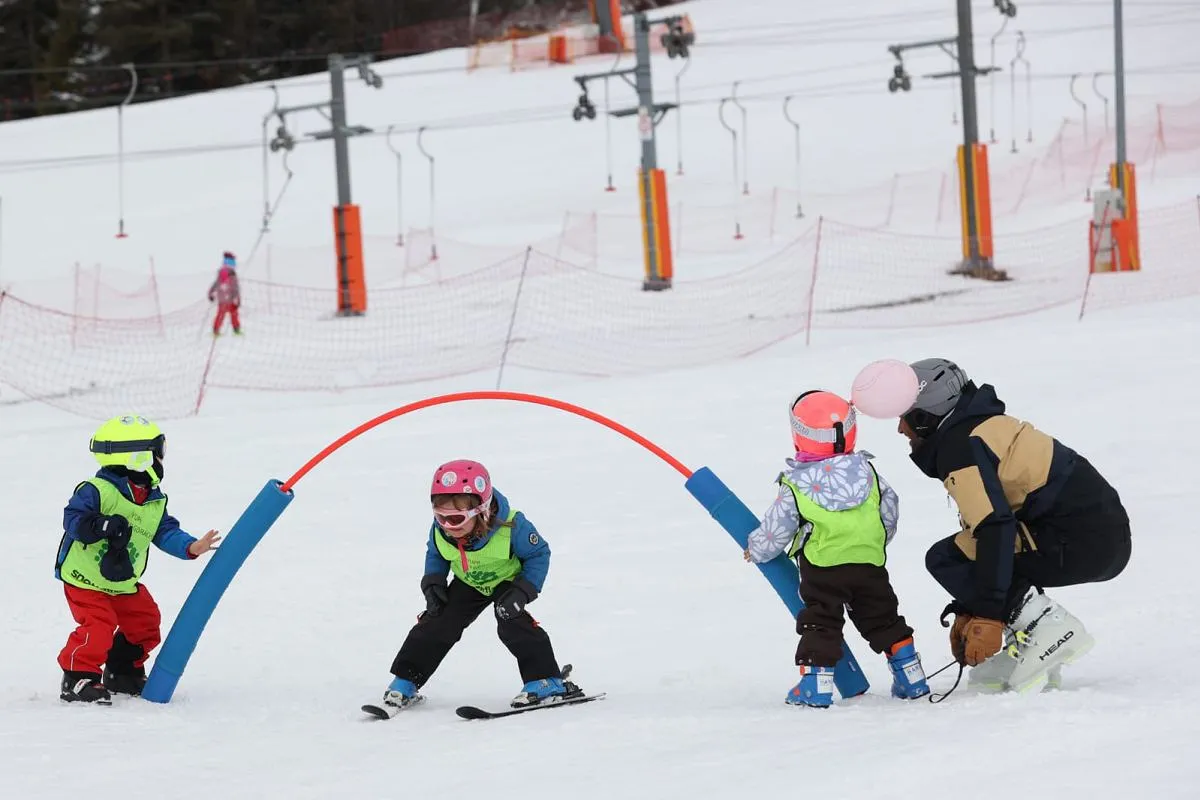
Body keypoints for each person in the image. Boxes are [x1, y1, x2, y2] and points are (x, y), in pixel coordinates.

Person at [898, 358, 1131, 693]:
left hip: (1084, 540)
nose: (900, 429)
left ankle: (1048, 628)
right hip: (1096, 536)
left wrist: (988, 614)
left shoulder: (960, 445)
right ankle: (1030, 636)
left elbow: (995, 528)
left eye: (905, 417)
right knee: (960, 553)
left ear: (925, 415)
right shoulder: (976, 428)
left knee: (947, 558)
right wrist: (971, 605)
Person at [745, 390, 931, 708]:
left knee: (821, 621)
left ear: (799, 437)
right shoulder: (869, 473)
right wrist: (873, 541)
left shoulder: (797, 484)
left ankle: (816, 686)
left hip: (822, 567)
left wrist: (757, 550)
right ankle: (911, 675)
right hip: (868, 563)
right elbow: (890, 510)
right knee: (883, 618)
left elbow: (778, 527)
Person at [376, 459, 581, 712]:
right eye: (440, 517)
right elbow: (436, 553)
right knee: (438, 621)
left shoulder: (513, 526)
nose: (448, 526)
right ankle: (407, 680)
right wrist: (433, 582)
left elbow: (539, 554)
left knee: (511, 620)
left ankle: (546, 680)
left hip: (508, 581)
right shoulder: (442, 531)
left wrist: (523, 591)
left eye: (456, 518)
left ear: (481, 510)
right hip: (469, 581)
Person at [56, 414, 221, 704]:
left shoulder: (153, 498)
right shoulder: (97, 490)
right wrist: (101, 525)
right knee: (98, 626)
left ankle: (121, 671)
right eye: (158, 453)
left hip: (122, 581)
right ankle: (77, 676)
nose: (161, 460)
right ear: (139, 458)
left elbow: (164, 531)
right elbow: (73, 520)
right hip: (85, 580)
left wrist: (191, 547)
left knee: (146, 621)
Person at [207, 251, 242, 336]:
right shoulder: (232, 275)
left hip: (222, 299)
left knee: (221, 314)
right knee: (233, 314)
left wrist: (211, 293)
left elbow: (216, 284)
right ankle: (236, 330)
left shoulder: (221, 273)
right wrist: (237, 298)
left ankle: (216, 330)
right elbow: (235, 288)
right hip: (230, 299)